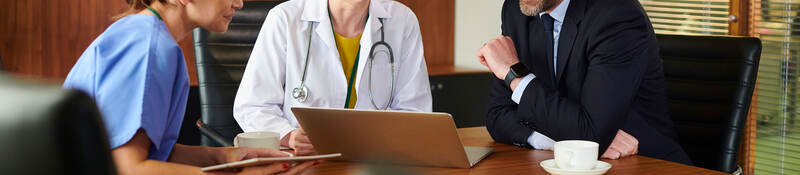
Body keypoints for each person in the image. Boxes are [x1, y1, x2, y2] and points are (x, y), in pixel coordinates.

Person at [62, 0, 317, 174]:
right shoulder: (151, 49)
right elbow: (130, 168)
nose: (239, 3)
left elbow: (149, 154)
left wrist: (223, 157)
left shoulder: (141, 34)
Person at [477, 0, 692, 164]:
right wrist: (564, 142)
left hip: (644, 164)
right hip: (577, 163)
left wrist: (514, 74)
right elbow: (497, 115)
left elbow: (590, 135)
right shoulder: (517, 10)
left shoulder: (616, 15)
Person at [234, 0, 432, 156]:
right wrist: (290, 136)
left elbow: (415, 110)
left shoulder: (402, 20)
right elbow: (253, 106)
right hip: (304, 160)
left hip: (373, 158)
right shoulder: (285, 18)